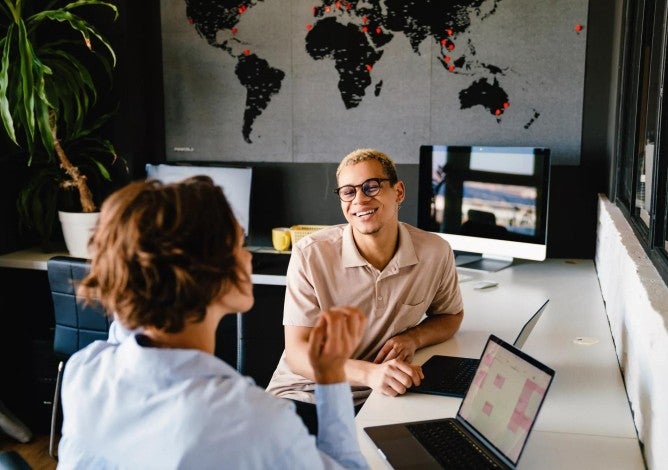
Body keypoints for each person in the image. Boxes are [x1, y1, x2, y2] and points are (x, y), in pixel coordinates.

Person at [57, 176, 369, 469]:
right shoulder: (252, 420)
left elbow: (126, 327)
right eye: (237, 246)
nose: (248, 258)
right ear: (205, 271)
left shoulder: (85, 371)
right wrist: (330, 377)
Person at [266, 148, 464, 433]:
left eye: (371, 186)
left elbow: (451, 315)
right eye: (348, 192)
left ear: (398, 192)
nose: (359, 199)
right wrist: (370, 373)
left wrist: (414, 338)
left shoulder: (435, 251)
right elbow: (298, 354)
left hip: (382, 396)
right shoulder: (310, 254)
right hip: (308, 395)